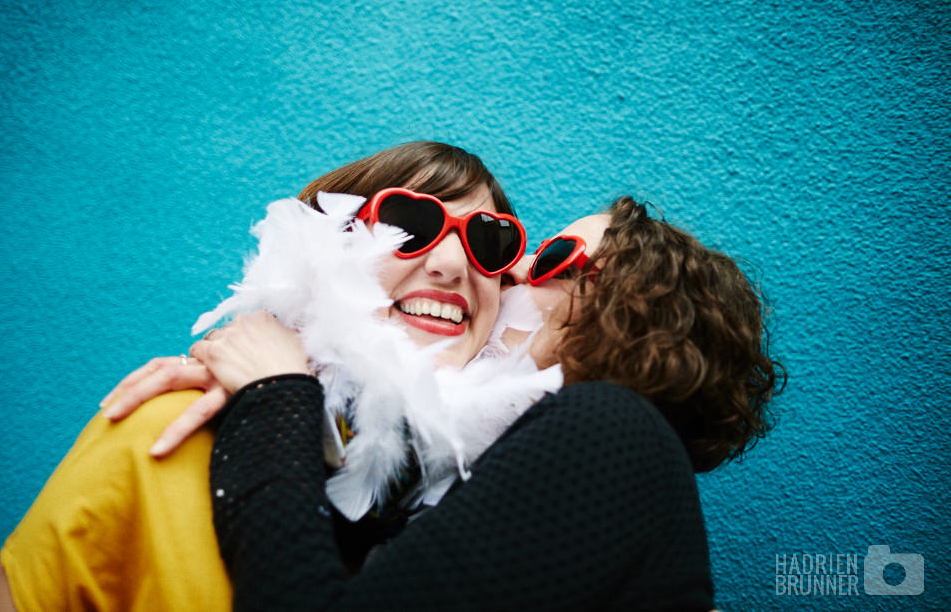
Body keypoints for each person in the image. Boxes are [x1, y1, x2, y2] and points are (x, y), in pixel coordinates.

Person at [0, 141, 528, 612]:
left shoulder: (507, 510)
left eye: (490, 242)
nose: (454, 264)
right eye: (410, 223)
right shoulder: (167, 428)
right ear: (321, 251)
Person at [161, 196, 782, 609]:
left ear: (627, 305)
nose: (511, 272)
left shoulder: (611, 429)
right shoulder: (541, 462)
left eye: (551, 256)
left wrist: (274, 394)